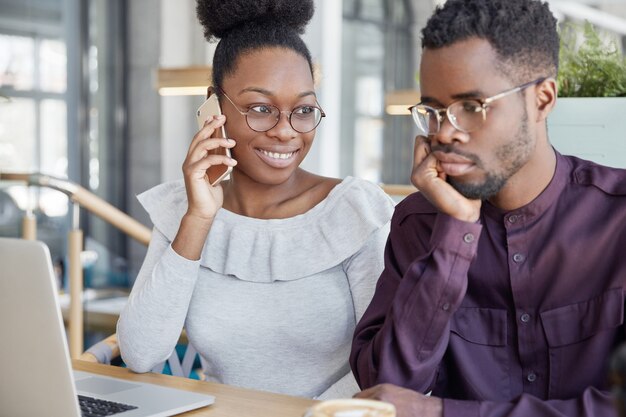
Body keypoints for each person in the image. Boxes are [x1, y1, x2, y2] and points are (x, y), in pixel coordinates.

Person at [350, 0, 626, 416]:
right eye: (434, 111)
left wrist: (442, 413)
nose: (444, 134)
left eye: (470, 108)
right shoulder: (419, 224)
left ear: (543, 99)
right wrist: (454, 233)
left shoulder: (618, 221)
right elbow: (386, 389)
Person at [117, 0, 394, 400]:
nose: (286, 131)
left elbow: (382, 365)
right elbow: (140, 354)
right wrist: (198, 217)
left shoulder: (354, 212)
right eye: (260, 109)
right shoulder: (186, 209)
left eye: (302, 109)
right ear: (214, 105)